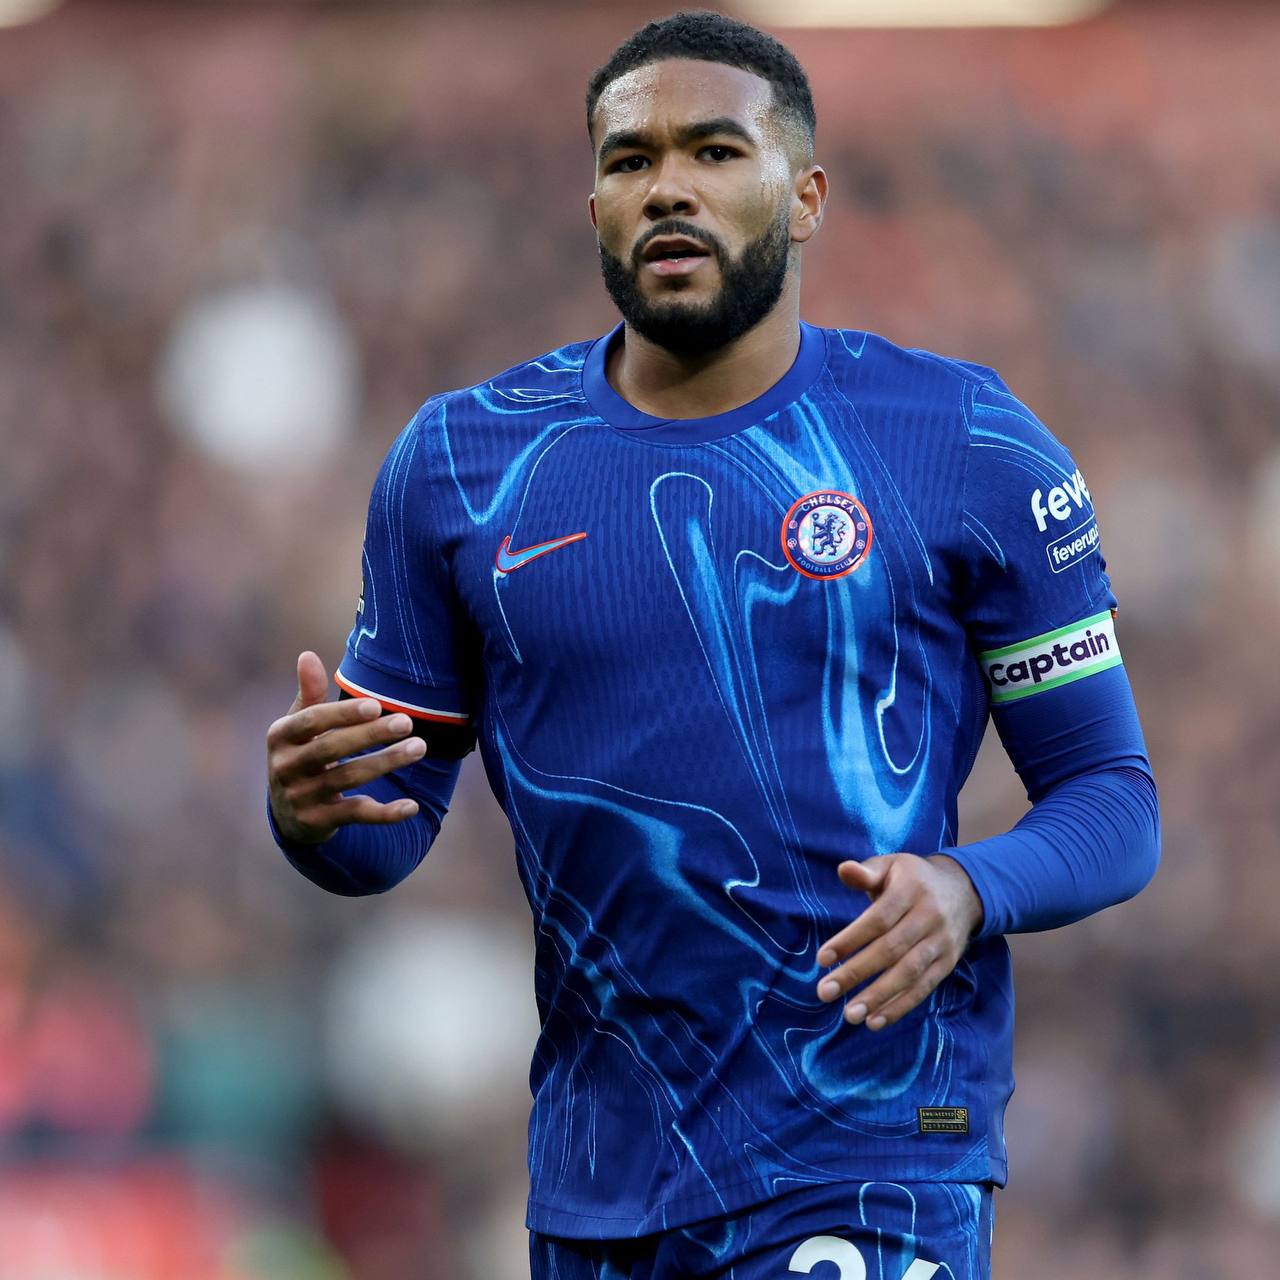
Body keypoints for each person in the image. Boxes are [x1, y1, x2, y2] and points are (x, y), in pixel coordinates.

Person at [266, 11, 1160, 1278]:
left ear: (804, 198)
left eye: (714, 151)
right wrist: (310, 815)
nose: (668, 186)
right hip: (599, 1178)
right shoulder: (462, 462)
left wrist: (969, 887)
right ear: (593, 207)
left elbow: (1112, 798)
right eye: (630, 159)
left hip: (872, 1145)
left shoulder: (961, 440)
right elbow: (378, 838)